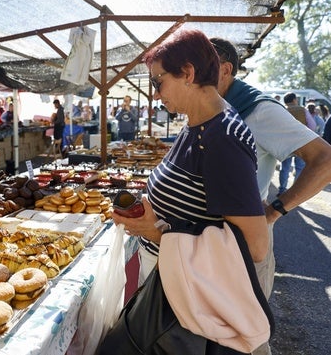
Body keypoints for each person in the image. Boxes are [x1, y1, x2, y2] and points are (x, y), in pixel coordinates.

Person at [112, 29, 269, 351]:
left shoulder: (222, 138)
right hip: (173, 283)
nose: (156, 94)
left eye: (158, 82)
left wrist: (162, 235)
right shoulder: (197, 124)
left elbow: (254, 247)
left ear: (188, 73)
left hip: (189, 299)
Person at [211, 37, 331, 302]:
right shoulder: (219, 106)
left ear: (226, 69)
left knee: (247, 334)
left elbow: (326, 160)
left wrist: (275, 210)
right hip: (217, 243)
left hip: (246, 242)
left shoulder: (259, 109)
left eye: (201, 66)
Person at [277, 92, 317, 196]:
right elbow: (312, 125)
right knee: (299, 167)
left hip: (285, 144)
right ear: (294, 100)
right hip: (301, 143)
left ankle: (282, 190)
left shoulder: (281, 110)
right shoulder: (302, 110)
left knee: (285, 167)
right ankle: (295, 192)